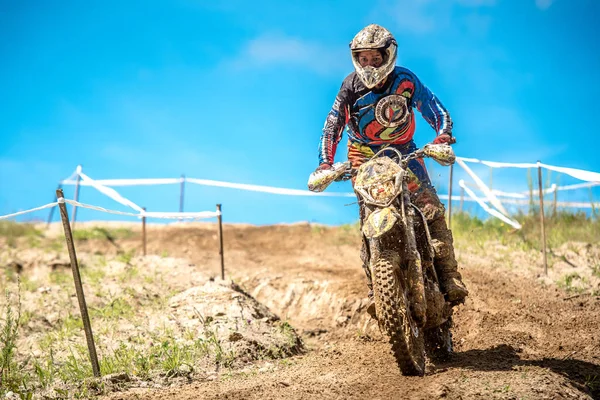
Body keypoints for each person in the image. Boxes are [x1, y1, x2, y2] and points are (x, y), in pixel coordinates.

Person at [315, 24, 468, 308]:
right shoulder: (350, 87)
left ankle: (449, 276)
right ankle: (376, 289)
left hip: (403, 150)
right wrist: (325, 163)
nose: (369, 64)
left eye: (375, 58)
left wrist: (442, 136)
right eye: (363, 58)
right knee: (368, 215)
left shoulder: (405, 80)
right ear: (355, 58)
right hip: (362, 154)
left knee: (429, 207)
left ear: (389, 55)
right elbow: (332, 124)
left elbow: (433, 107)